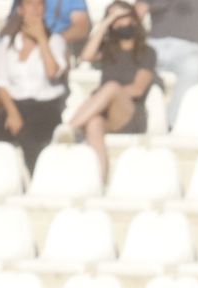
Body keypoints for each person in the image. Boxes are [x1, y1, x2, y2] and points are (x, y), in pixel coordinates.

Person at [68, 1, 154, 181]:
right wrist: (105, 23)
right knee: (94, 123)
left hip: (130, 113)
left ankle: (71, 127)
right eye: (115, 19)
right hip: (107, 113)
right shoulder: (109, 51)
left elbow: (137, 89)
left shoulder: (146, 52)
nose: (121, 23)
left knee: (111, 86)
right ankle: (100, 178)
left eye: (124, 17)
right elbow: (86, 56)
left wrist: (111, 94)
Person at [0, 0, 68, 173]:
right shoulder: (8, 43)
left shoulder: (55, 40)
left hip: (46, 106)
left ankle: (38, 180)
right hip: (17, 104)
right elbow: (1, 82)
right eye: (31, 5)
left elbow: (52, 71)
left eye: (40, 5)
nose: (36, 10)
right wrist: (12, 113)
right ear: (21, 10)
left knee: (30, 135)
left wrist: (41, 39)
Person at [138, 0, 198, 128]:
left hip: (193, 48)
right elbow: (137, 13)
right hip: (155, 44)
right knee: (131, 59)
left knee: (194, 67)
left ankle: (172, 124)